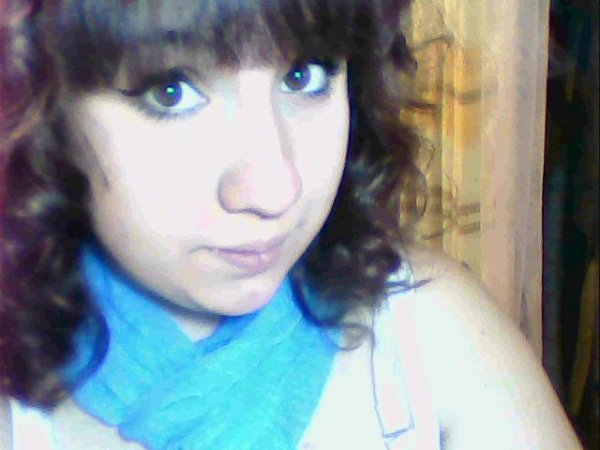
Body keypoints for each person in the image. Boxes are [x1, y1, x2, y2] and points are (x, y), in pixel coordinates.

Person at [0, 0, 582, 449]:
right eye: (171, 91)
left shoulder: (429, 330)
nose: (275, 189)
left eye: (305, 76)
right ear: (47, 111)